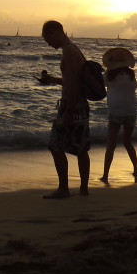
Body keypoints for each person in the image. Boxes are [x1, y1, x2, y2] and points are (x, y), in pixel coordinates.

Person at [40, 20, 90, 198]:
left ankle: (63, 188)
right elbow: (72, 80)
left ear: (56, 32)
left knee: (55, 145)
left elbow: (74, 84)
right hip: (80, 104)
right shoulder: (74, 49)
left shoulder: (68, 51)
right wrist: (53, 80)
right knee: (81, 148)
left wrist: (68, 111)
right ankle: (83, 189)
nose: (48, 43)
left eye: (48, 38)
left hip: (72, 104)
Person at [99, 47, 137, 184]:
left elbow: (101, 84)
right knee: (127, 141)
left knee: (111, 144)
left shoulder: (109, 75)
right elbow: (134, 88)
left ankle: (105, 175)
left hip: (116, 111)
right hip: (131, 110)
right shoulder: (131, 74)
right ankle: (136, 169)